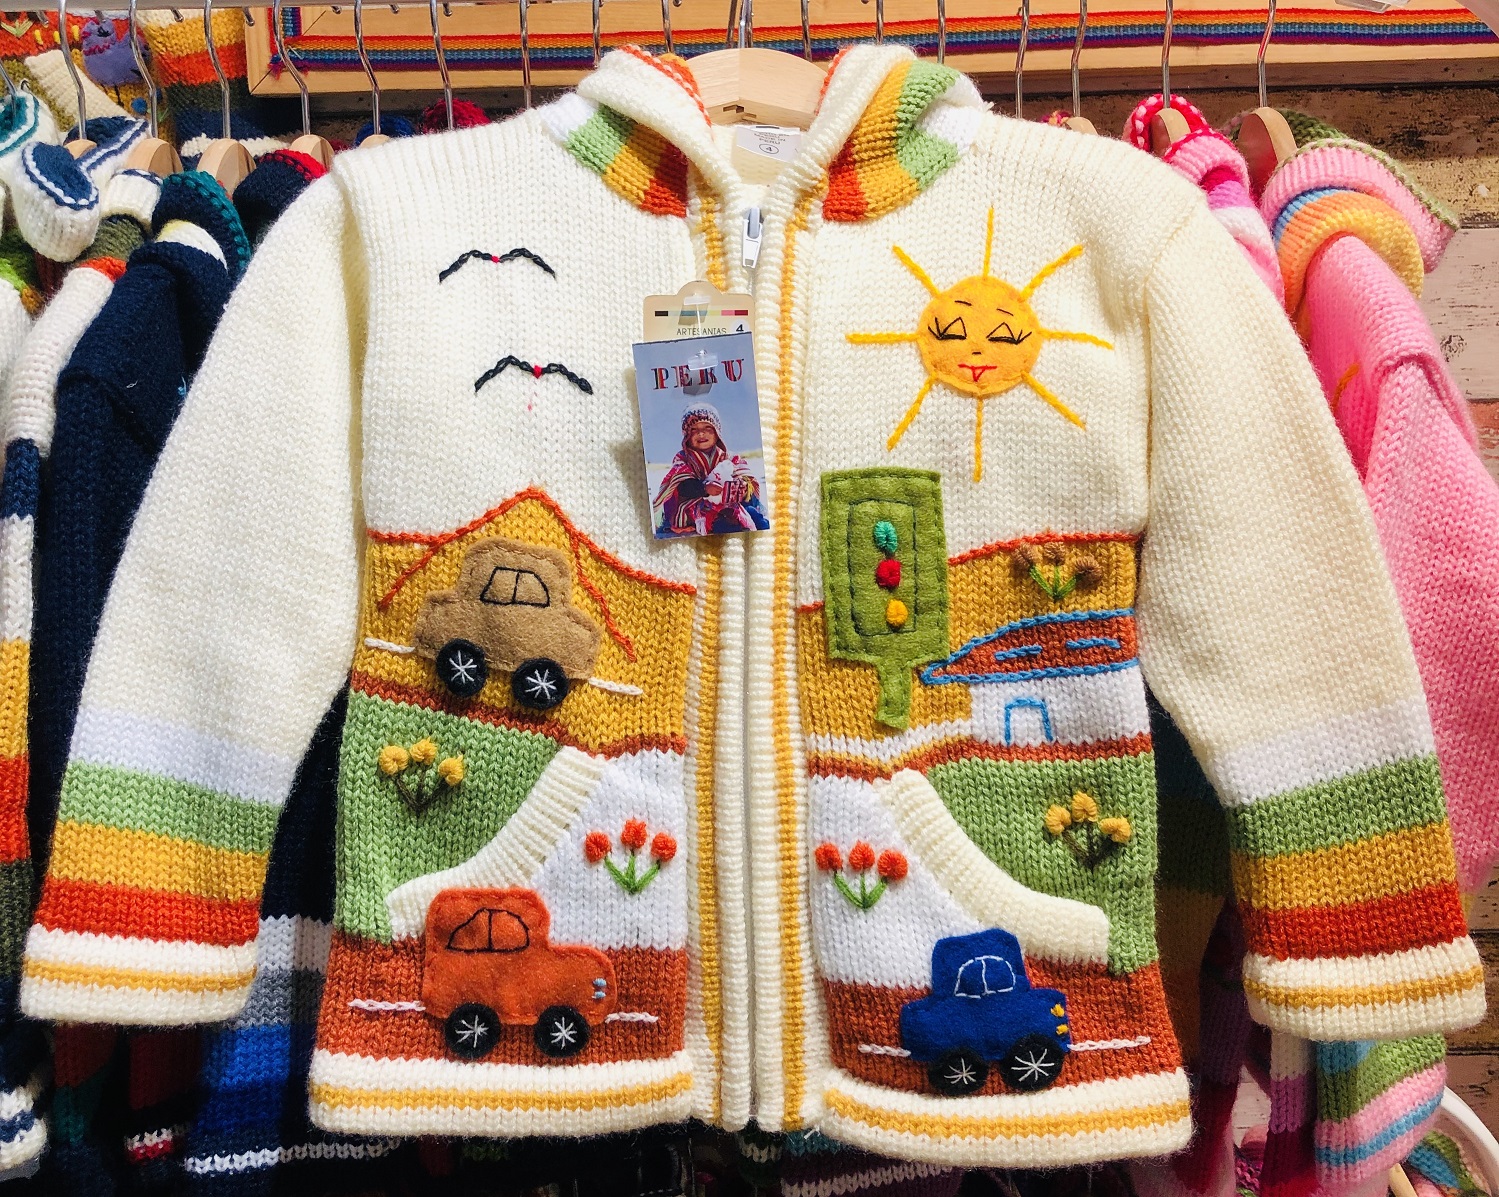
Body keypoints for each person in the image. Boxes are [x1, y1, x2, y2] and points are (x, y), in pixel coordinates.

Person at [653, 402, 769, 537]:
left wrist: (742, 486)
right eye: (694, 430)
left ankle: (762, 530)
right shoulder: (683, 458)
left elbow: (746, 477)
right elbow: (682, 485)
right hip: (697, 505)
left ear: (717, 432)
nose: (701, 433)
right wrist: (704, 489)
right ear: (686, 436)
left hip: (730, 502)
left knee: (751, 512)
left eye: (708, 428)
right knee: (719, 523)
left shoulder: (728, 457)